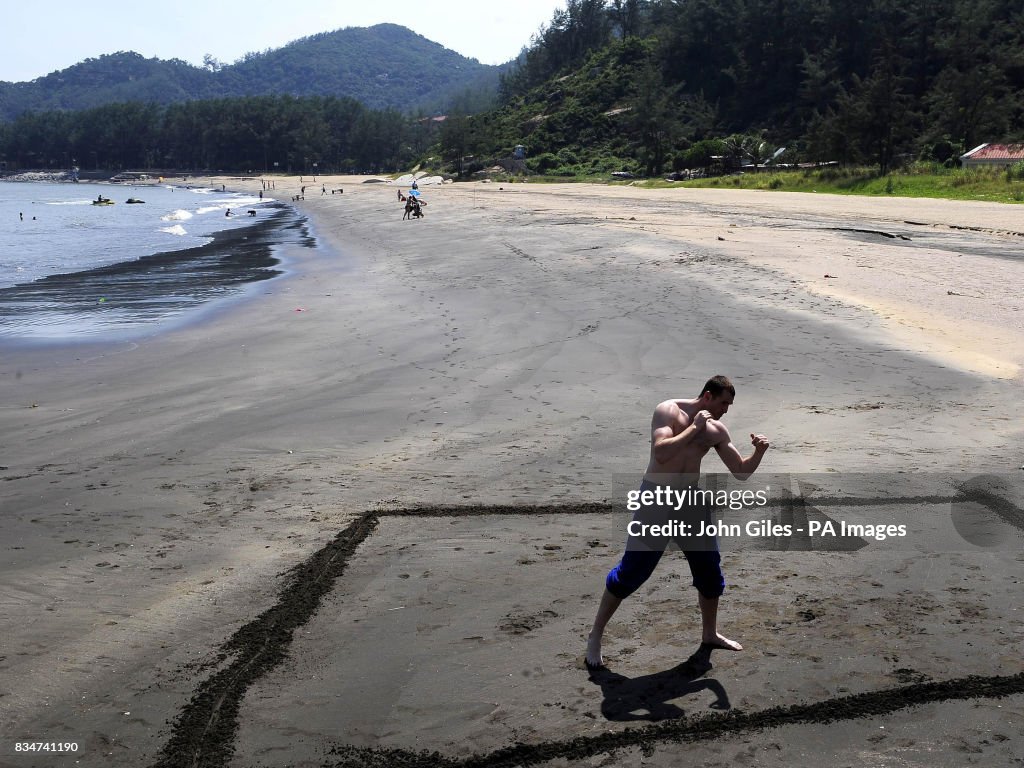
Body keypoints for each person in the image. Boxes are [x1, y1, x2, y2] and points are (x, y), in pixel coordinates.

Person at [585, 375, 770, 671]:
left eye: (730, 405)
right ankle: (595, 636)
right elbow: (661, 451)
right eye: (724, 403)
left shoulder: (716, 431)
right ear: (708, 397)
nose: (726, 410)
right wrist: (694, 428)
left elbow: (740, 471)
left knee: (709, 570)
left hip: (690, 504)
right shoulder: (668, 410)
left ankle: (709, 634)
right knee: (632, 573)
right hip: (656, 500)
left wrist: (758, 453)